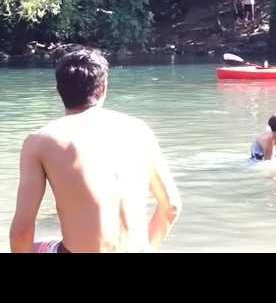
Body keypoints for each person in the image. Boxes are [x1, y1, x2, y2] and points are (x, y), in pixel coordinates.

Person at [9, 48, 182, 253]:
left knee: (38, 246)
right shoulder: (139, 130)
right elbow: (171, 206)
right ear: (103, 88)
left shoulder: (40, 140)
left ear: (59, 89)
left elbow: (22, 230)